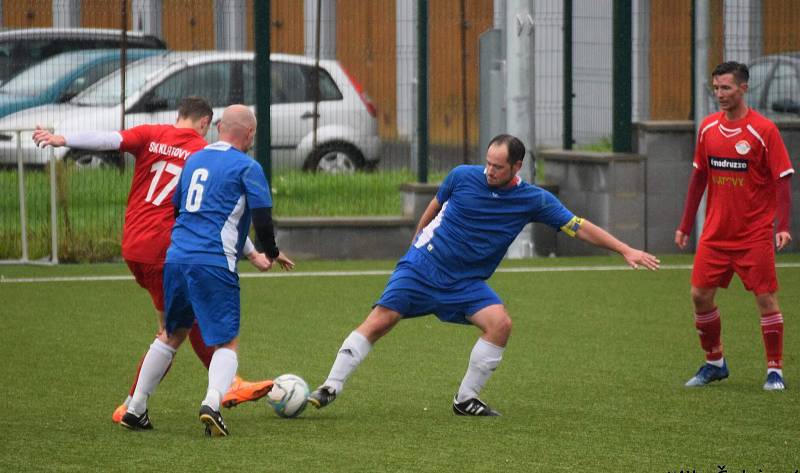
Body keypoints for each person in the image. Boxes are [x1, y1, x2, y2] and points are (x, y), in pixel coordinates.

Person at [308, 134, 661, 416]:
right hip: (423, 265)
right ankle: (330, 386)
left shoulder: (534, 200)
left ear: (516, 166)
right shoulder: (463, 175)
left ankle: (465, 399)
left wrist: (625, 249)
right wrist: (418, 234)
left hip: (466, 283)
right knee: (381, 320)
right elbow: (436, 202)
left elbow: (577, 226)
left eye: (497, 166)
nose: (488, 171)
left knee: (500, 324)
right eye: (487, 163)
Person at [31, 97, 275, 423]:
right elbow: (218, 214)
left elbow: (110, 140)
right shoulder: (205, 154)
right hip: (174, 246)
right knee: (182, 331)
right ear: (206, 123)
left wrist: (64, 139)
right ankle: (213, 390)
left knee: (175, 327)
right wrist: (257, 252)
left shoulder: (154, 136)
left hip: (138, 246)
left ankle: (139, 405)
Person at [118, 104, 294, 436]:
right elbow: (262, 217)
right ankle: (212, 403)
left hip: (176, 258)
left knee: (172, 334)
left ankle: (136, 407)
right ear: (251, 134)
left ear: (218, 128)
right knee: (227, 341)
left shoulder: (194, 160)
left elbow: (177, 207)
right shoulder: (248, 166)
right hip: (213, 261)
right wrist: (269, 251)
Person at [676, 61, 794, 391]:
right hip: (715, 233)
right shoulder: (708, 128)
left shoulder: (764, 130)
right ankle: (715, 362)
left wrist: (782, 226)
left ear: (743, 88)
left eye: (726, 88)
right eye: (716, 88)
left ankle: (775, 371)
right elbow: (699, 177)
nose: (720, 94)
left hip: (753, 233)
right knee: (699, 295)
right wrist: (686, 224)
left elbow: (783, 179)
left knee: (766, 298)